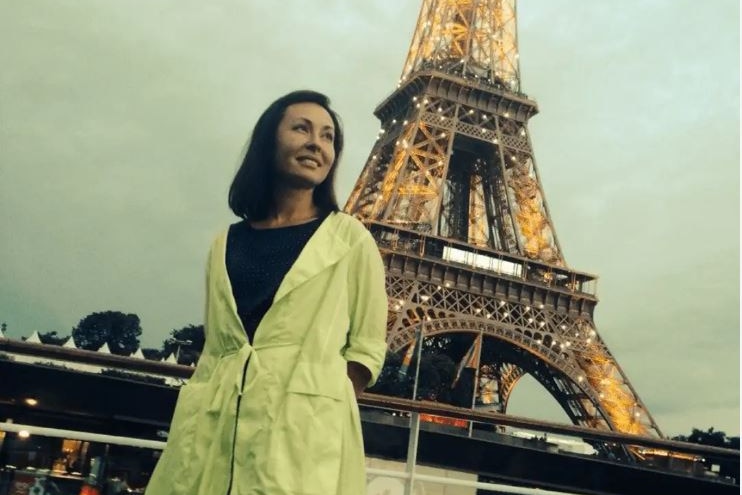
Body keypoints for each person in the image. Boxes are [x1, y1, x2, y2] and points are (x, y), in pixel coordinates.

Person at [144, 90, 388, 495]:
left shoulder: (350, 240)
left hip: (301, 435)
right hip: (213, 426)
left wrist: (318, 400)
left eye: (328, 137)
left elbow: (366, 346)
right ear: (268, 141)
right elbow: (218, 346)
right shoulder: (225, 242)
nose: (316, 143)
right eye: (301, 128)